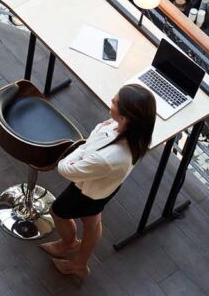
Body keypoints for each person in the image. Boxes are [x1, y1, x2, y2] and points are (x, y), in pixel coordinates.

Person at [40, 84, 157, 284]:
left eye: (115, 102)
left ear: (126, 118)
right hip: (103, 187)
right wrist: (90, 145)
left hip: (87, 192)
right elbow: (93, 141)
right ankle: (79, 261)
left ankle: (69, 245)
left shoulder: (110, 156)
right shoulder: (135, 134)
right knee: (93, 220)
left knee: (58, 212)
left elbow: (65, 168)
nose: (111, 100)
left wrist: (76, 154)